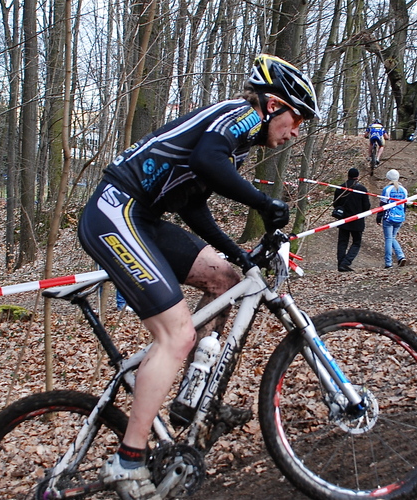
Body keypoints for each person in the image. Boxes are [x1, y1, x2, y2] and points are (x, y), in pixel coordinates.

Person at [77, 54, 320, 499]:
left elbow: (193, 205)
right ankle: (128, 460)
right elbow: (209, 161)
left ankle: (193, 395)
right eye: (296, 116)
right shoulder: (239, 115)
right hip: (116, 210)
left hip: (143, 217)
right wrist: (264, 204)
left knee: (226, 279)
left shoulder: (238, 143)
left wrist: (240, 254)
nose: (296, 130)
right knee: (177, 335)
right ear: (272, 105)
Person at [333, 168, 371, 272]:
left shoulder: (340, 188)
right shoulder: (362, 189)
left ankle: (341, 263)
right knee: (356, 242)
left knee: (342, 242)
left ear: (348, 175)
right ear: (357, 176)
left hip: (343, 219)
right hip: (357, 220)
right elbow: (366, 206)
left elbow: (335, 204)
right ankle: (346, 262)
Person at [376, 169, 408, 269]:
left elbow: (383, 204)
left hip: (389, 217)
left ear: (388, 178)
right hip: (400, 217)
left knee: (389, 239)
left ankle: (388, 262)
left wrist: (379, 216)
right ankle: (401, 256)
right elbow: (405, 205)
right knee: (392, 238)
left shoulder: (387, 189)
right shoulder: (404, 190)